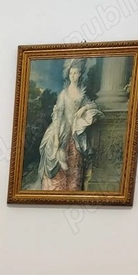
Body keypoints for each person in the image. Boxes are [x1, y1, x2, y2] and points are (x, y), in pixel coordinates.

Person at [38, 58, 102, 191]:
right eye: (71, 73)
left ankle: (71, 192)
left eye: (75, 73)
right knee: (57, 155)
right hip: (62, 128)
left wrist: (83, 108)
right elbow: (57, 115)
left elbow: (93, 105)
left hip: (75, 131)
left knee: (74, 162)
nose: (73, 76)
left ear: (80, 74)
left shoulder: (82, 94)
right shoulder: (64, 94)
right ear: (68, 74)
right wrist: (56, 137)